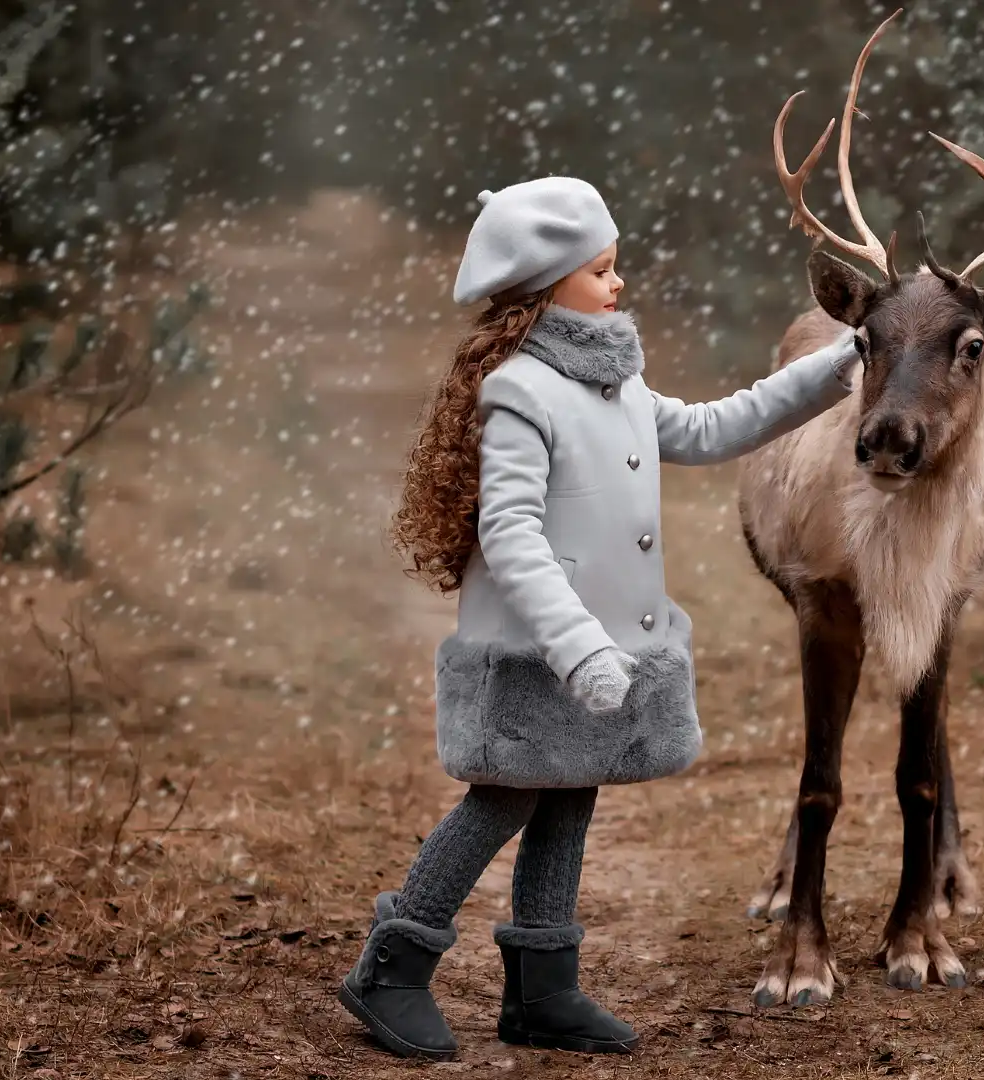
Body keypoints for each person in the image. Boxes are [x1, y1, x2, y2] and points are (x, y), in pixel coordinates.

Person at [337, 176, 860, 1058]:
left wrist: (841, 362)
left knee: (571, 800)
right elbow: (508, 533)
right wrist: (576, 647)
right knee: (499, 802)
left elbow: (706, 427)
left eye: (615, 269)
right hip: (540, 648)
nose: (618, 285)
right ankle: (390, 970)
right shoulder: (520, 392)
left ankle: (543, 989)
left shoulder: (612, 377)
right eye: (602, 270)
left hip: (609, 650)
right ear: (546, 285)